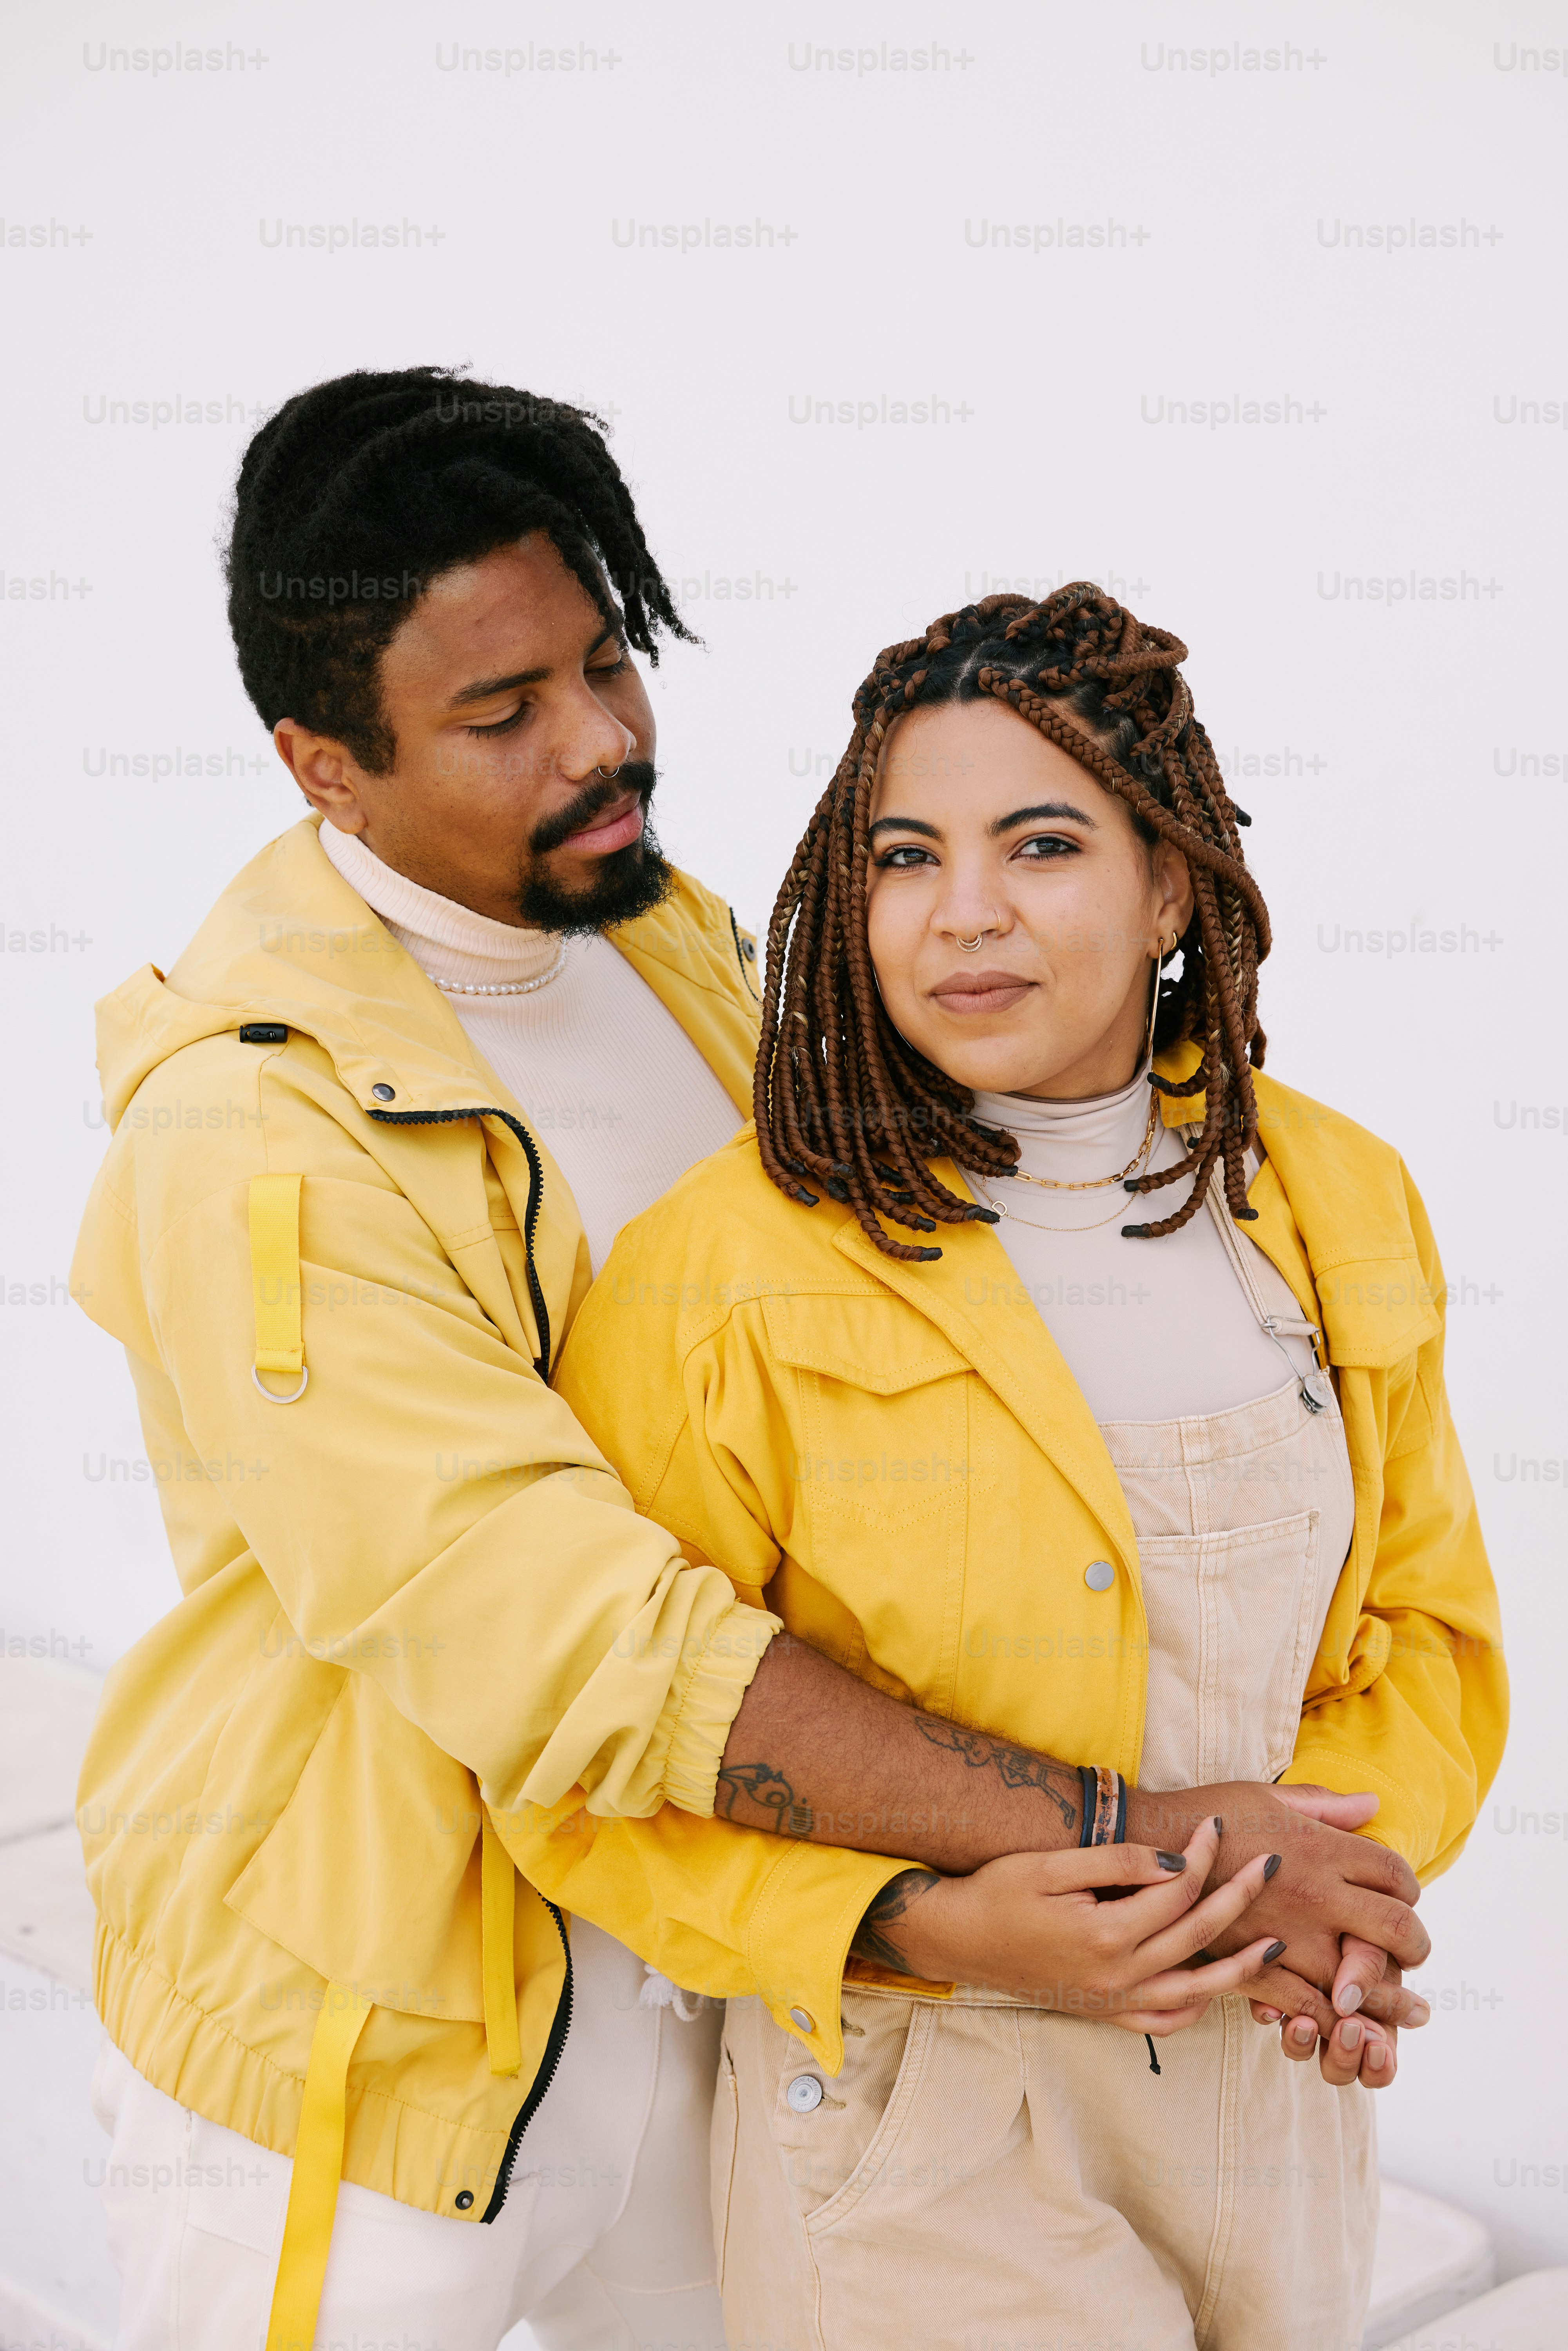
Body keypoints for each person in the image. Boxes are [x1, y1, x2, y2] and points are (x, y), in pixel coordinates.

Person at [525, 587, 1507, 2348]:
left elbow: (1425, 1644)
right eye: (906, 857)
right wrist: (929, 1925)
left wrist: (1329, 1907)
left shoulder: (1333, 1200)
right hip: (919, 2111)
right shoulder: (727, 1268)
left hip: (1266, 2092)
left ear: (1168, 889)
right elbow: (592, 1768)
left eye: (1039, 845)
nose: (960, 915)